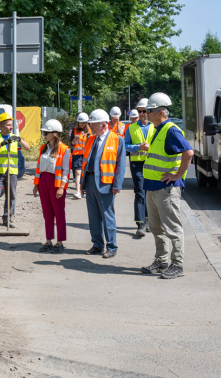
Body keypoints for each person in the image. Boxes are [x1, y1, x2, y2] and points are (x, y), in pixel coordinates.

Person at [139, 93, 195, 279]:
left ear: (160, 112)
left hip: (166, 188)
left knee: (172, 227)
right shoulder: (157, 129)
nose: (146, 113)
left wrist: (178, 175)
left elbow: (188, 152)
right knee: (156, 227)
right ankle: (161, 261)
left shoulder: (171, 130)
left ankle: (177, 264)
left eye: (150, 110)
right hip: (153, 186)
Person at [79, 109, 125, 258]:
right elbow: (85, 163)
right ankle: (97, 244)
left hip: (106, 183)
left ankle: (111, 246)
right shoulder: (91, 139)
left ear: (104, 125)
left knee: (107, 216)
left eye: (93, 124)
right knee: (93, 216)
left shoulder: (117, 139)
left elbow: (121, 165)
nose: (90, 126)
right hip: (91, 181)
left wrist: (117, 185)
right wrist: (83, 183)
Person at [0, 112, 31, 229]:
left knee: (11, 196)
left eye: (12, 125)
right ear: (1, 125)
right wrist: (1, 144)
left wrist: (20, 139)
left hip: (12, 172)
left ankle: (7, 218)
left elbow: (28, 148)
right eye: (9, 125)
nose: (11, 127)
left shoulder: (14, 138)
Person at [32, 119, 70, 252]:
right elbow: (38, 167)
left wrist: (62, 187)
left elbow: (66, 170)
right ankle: (48, 240)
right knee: (47, 214)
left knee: (59, 214)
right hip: (43, 182)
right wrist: (36, 184)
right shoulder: (43, 148)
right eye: (44, 132)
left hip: (56, 183)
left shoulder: (64, 149)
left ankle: (59, 242)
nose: (44, 135)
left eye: (46, 133)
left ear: (55, 134)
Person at [123, 100, 154, 238]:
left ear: (149, 111)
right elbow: (126, 145)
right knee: (140, 192)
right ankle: (140, 224)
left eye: (144, 111)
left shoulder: (155, 127)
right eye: (140, 111)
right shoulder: (131, 128)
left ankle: (148, 221)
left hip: (153, 163)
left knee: (150, 193)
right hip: (137, 164)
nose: (142, 114)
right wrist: (138, 147)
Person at [68, 113, 90, 199]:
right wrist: (74, 140)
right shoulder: (74, 130)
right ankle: (77, 191)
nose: (80, 124)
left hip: (87, 155)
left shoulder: (90, 131)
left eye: (82, 123)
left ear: (86, 122)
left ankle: (84, 190)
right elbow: (72, 143)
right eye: (79, 123)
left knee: (85, 174)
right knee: (77, 173)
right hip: (77, 155)